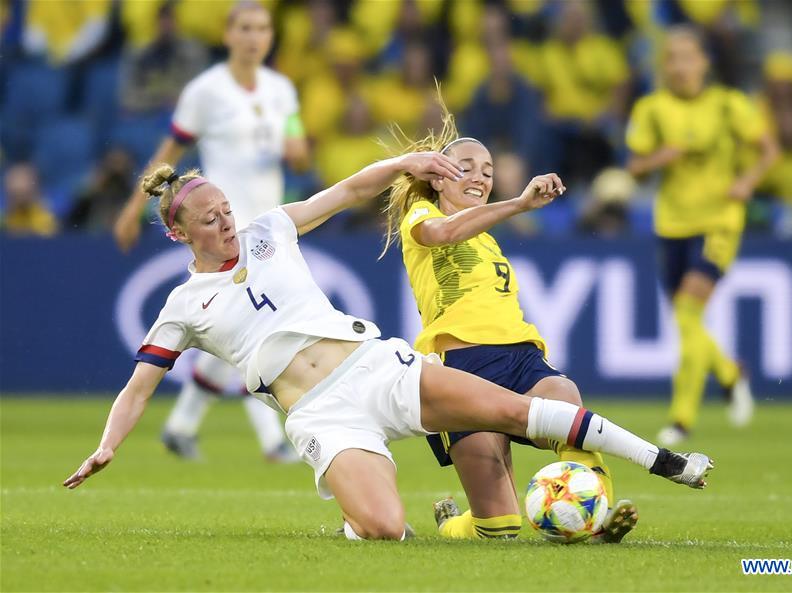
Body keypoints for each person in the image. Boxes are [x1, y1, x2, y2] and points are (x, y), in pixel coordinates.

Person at [64, 154, 715, 541]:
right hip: (321, 413)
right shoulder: (181, 306)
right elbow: (139, 384)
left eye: (227, 209)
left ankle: (664, 460)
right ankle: (360, 515)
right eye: (210, 220)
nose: (227, 222)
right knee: (381, 528)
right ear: (179, 235)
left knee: (516, 410)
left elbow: (346, 191)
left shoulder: (268, 231)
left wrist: (403, 165)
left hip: (376, 366)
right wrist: (108, 443)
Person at [380, 115, 635, 542]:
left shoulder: (488, 237)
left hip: (519, 358)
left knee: (568, 407)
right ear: (438, 178)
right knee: (499, 527)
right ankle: (452, 524)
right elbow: (441, 233)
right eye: (465, 166)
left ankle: (596, 521)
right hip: (459, 370)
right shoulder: (421, 213)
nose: (479, 177)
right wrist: (518, 204)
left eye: (488, 171)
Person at [113, 1, 310, 463]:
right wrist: (132, 206)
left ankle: (182, 427)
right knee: (254, 327)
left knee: (233, 333)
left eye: (262, 28)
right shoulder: (206, 91)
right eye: (245, 28)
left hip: (269, 228)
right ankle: (273, 440)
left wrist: (296, 141)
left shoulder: (282, 90)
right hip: (223, 226)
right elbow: (170, 148)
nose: (254, 37)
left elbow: (297, 145)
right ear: (228, 35)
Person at [626, 27, 779, 446]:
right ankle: (731, 373)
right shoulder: (652, 108)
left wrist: (747, 181)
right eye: (671, 58)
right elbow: (634, 166)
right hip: (671, 223)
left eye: (687, 57)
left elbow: (769, 149)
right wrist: (663, 156)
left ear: (703, 62)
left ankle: (681, 419)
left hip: (718, 221)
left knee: (689, 314)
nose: (679, 66)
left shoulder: (728, 105)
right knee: (685, 318)